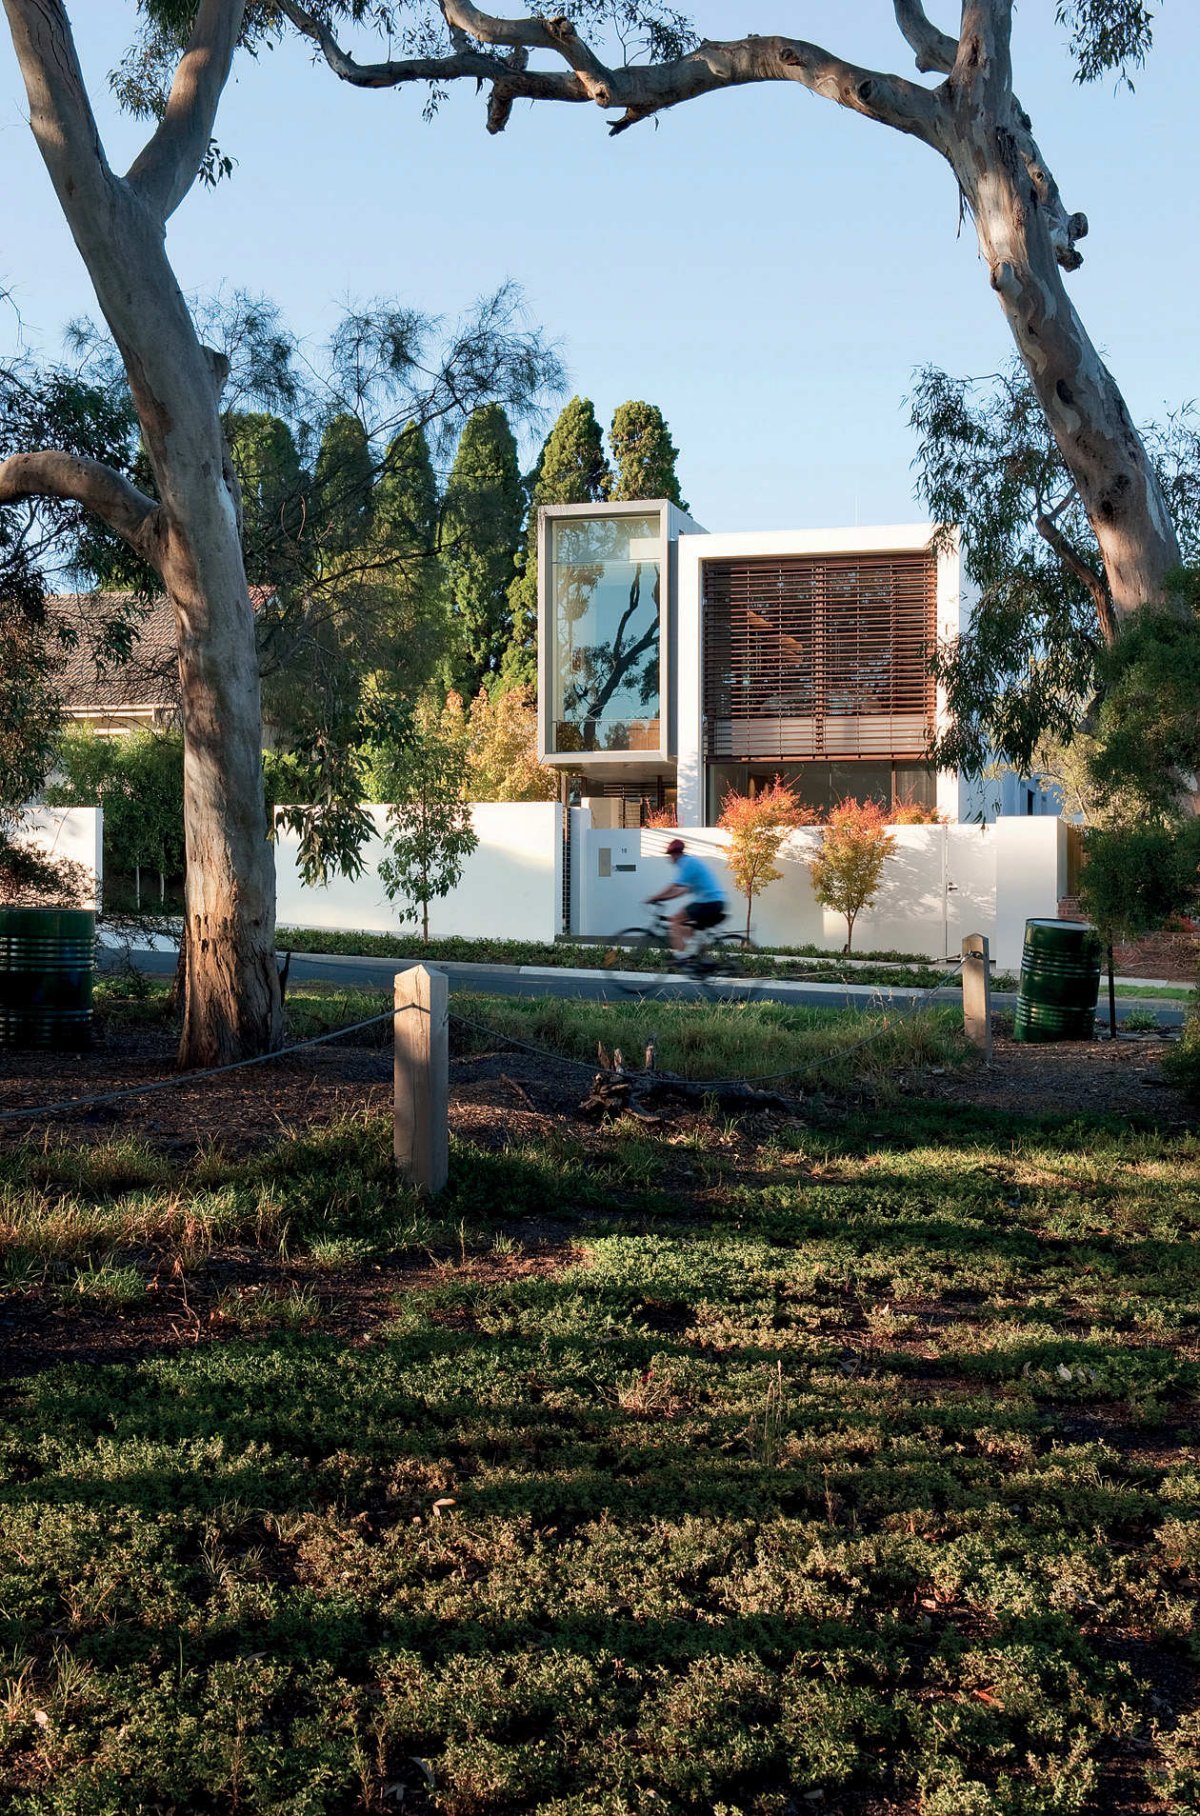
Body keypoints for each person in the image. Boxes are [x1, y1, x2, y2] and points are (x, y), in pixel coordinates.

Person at [646, 837, 727, 958]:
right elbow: (681, 891)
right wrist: (663, 898)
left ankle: (683, 956)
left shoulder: (687, 863)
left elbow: (674, 887)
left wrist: (655, 897)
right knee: (688, 928)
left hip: (708, 902)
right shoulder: (690, 863)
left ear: (676, 854)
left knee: (675, 920)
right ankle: (700, 959)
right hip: (715, 902)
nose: (670, 858)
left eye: (671, 855)